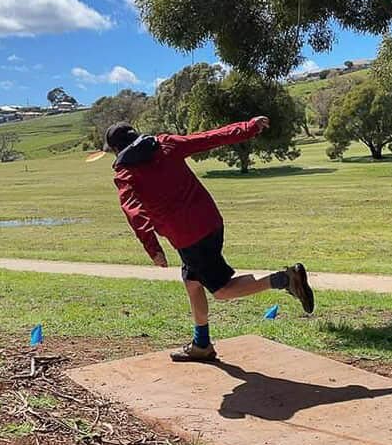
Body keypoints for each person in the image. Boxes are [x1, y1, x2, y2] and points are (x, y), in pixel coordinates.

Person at [106, 117, 314, 362]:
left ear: (116, 149)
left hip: (188, 238)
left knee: (222, 290)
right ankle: (201, 344)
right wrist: (247, 128)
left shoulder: (126, 173)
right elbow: (208, 139)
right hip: (211, 221)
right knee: (192, 281)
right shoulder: (166, 144)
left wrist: (153, 249)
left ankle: (284, 279)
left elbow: (133, 212)